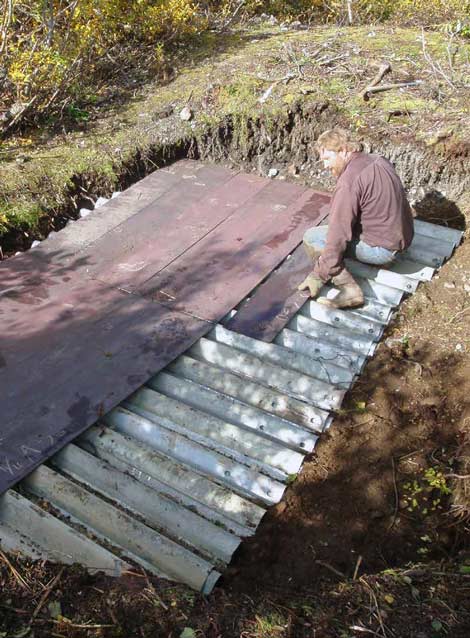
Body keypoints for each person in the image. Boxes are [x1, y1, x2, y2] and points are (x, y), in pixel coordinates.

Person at [298, 128, 414, 309]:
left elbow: (338, 234)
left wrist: (318, 275)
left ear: (343, 150)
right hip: (403, 239)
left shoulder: (348, 182)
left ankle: (350, 290)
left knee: (314, 237)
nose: (325, 166)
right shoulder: (378, 160)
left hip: (382, 250)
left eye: (327, 159)